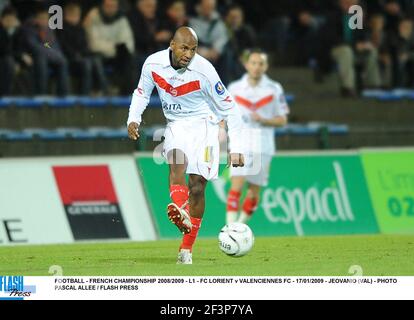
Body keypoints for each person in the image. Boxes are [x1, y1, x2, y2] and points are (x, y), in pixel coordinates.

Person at [127, 27, 245, 265]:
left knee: (198, 187)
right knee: (177, 164)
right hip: (176, 125)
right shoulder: (152, 64)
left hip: (206, 125)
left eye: (193, 49)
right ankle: (182, 210)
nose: (188, 54)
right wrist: (133, 118)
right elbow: (141, 93)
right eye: (184, 47)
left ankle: (186, 249)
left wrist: (238, 146)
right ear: (171, 44)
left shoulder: (205, 71)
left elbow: (230, 108)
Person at [225, 49, 289, 225]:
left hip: (263, 143)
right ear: (246, 65)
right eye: (253, 63)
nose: (256, 67)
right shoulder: (235, 88)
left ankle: (241, 225)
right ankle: (231, 228)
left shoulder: (274, 89)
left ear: (266, 66)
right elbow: (225, 115)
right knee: (236, 187)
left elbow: (282, 120)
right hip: (240, 142)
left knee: (253, 193)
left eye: (261, 63)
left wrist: (264, 120)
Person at [84, 0, 135, 94]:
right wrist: (114, 47)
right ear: (102, 6)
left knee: (127, 57)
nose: (111, 9)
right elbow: (94, 44)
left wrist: (111, 47)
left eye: (113, 6)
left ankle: (127, 94)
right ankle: (105, 91)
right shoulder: (94, 18)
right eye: (108, 6)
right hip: (99, 55)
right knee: (96, 60)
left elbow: (128, 44)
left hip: (117, 55)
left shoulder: (122, 20)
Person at [57, 2, 108, 95]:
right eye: (73, 15)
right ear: (67, 16)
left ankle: (103, 90)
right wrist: (77, 55)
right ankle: (85, 93)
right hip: (71, 59)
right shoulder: (61, 29)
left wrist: (87, 54)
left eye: (77, 15)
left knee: (96, 60)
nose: (76, 18)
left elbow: (84, 46)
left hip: (82, 57)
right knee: (87, 64)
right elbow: (64, 47)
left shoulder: (80, 29)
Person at [23, 6, 69, 96]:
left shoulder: (49, 30)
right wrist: (52, 53)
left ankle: (63, 96)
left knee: (63, 61)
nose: (44, 21)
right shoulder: (29, 29)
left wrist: (57, 55)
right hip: (33, 57)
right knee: (41, 59)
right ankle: (41, 95)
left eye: (46, 18)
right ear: (36, 19)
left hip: (50, 56)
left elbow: (55, 45)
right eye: (42, 18)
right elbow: (35, 47)